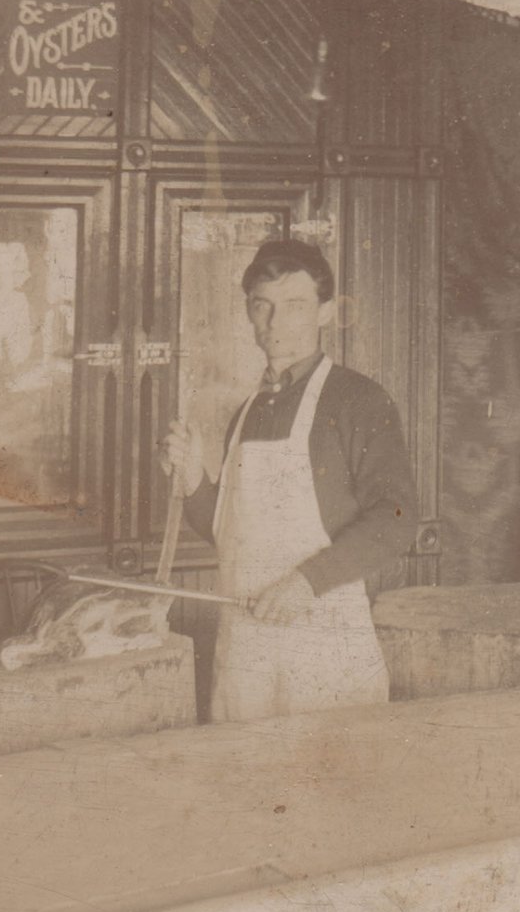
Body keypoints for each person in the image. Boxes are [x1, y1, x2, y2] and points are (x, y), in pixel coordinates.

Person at [162, 239, 417, 722]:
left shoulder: (358, 399)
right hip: (244, 646)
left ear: (325, 313)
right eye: (264, 307)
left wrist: (306, 583)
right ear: (249, 314)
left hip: (323, 638)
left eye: (295, 306)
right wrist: (193, 477)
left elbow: (396, 519)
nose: (276, 324)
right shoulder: (249, 409)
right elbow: (228, 532)